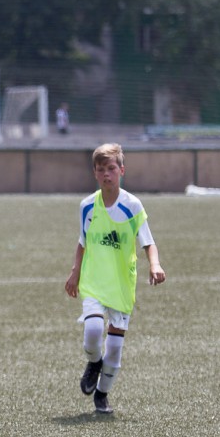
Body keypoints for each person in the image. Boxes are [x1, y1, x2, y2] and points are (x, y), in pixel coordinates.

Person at [63, 143, 165, 416]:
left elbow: (148, 242)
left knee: (115, 349)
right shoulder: (87, 206)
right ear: (95, 173)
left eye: (111, 168)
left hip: (121, 285)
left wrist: (154, 264)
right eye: (100, 169)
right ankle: (93, 363)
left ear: (121, 170)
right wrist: (75, 272)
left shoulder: (132, 206)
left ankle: (102, 395)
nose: (106, 174)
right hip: (94, 281)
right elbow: (82, 242)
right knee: (94, 330)